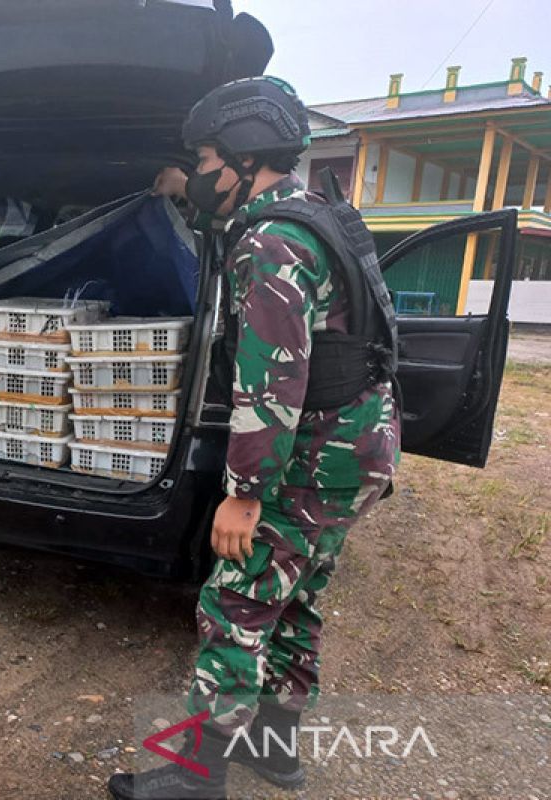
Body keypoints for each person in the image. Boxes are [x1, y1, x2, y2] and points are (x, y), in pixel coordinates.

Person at [107, 77, 400, 800]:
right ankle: (275, 751)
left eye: (205, 158)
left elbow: (272, 383)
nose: (200, 173)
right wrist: (176, 189)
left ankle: (197, 777)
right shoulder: (317, 214)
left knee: (236, 602)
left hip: (310, 455)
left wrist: (244, 493)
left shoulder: (270, 243)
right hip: (357, 451)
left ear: (242, 155)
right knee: (295, 600)